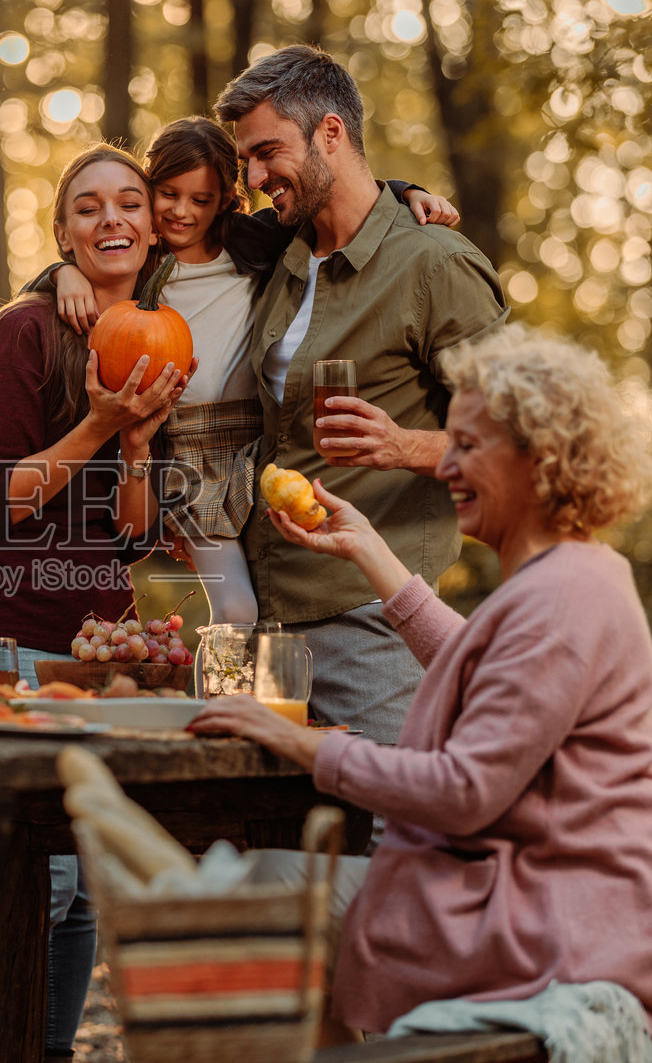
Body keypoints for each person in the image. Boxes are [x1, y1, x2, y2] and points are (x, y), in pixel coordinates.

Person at [189, 325, 652, 1056]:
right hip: (569, 895)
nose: (449, 466)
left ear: (540, 458)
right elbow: (484, 662)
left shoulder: (563, 596)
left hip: (570, 919)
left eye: (469, 446)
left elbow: (463, 790)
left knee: (258, 887)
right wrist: (371, 549)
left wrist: (298, 741)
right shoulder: (571, 572)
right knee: (269, 885)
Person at [0, 143, 191, 1060]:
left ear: (156, 224)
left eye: (131, 202)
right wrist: (98, 422)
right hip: (4, 640)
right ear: (61, 232)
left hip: (83, 651)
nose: (112, 219)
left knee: (77, 890)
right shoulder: (20, 334)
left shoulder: (157, 337)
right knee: (25, 886)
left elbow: (130, 537)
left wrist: (135, 445)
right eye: (88, 208)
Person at [42, 116, 459, 626]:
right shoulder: (141, 265)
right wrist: (59, 273)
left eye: (200, 199)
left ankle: (273, 698)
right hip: (190, 461)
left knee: (279, 595)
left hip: (262, 448)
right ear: (148, 193)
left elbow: (336, 206)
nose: (180, 211)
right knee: (236, 609)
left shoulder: (254, 242)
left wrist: (403, 191)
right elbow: (75, 261)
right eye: (167, 195)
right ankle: (219, 704)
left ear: (226, 201)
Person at [212, 46, 509, 741]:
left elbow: (524, 439)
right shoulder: (279, 257)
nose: (254, 178)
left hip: (373, 617)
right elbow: (154, 233)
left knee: (401, 825)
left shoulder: (435, 264)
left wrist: (404, 444)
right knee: (288, 832)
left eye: (267, 152)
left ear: (332, 133)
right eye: (246, 161)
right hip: (265, 615)